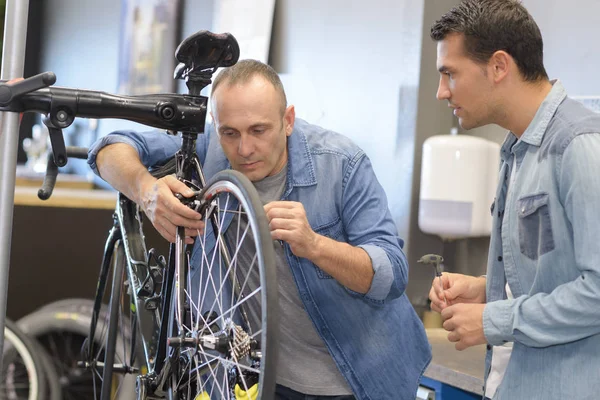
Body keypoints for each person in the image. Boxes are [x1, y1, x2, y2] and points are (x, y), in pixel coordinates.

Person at [88, 59, 431, 400]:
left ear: (288, 121)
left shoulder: (341, 164)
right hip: (257, 380)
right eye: (230, 132)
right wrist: (146, 192)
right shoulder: (210, 151)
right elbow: (107, 148)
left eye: (258, 130)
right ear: (216, 125)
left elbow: (393, 274)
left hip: (354, 379)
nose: (244, 149)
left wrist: (315, 245)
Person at [427, 0, 600, 399]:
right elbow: (554, 271)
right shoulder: (516, 150)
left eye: (450, 74)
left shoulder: (579, 145)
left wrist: (494, 318)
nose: (441, 91)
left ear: (499, 66)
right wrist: (487, 289)